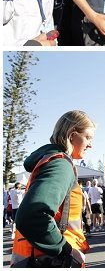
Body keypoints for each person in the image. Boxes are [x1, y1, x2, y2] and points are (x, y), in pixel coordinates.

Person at [11, 110, 95, 267]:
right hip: (50, 261)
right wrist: (66, 250)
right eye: (88, 137)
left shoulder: (51, 161)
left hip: (35, 258)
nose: (90, 144)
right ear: (72, 135)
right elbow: (33, 215)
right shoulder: (61, 165)